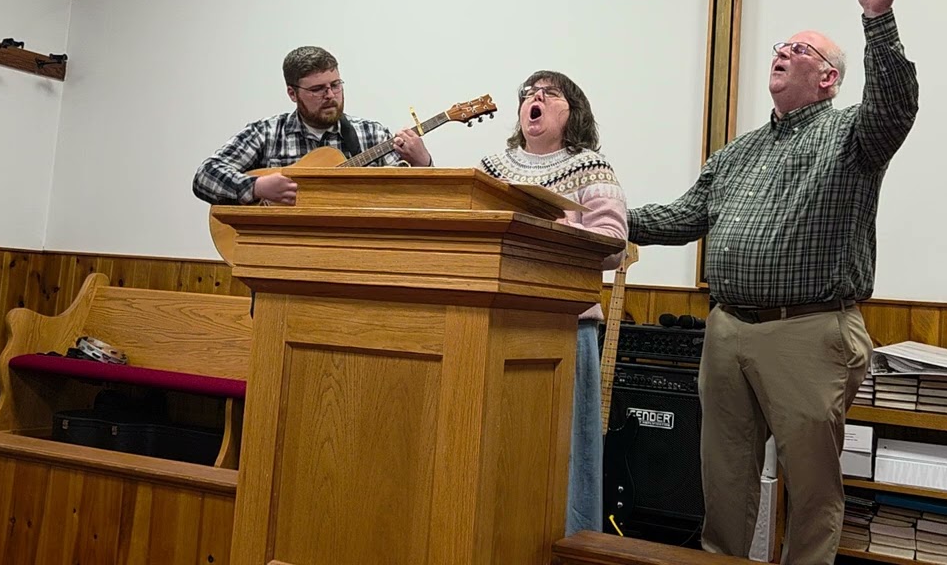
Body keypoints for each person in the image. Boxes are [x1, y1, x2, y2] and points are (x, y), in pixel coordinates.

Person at [627, 0, 918, 564]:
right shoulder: (740, 151)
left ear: (827, 77)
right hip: (727, 330)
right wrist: (611, 220)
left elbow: (896, 107)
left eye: (800, 49)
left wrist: (879, 19)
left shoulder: (851, 136)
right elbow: (684, 216)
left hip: (808, 333)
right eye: (780, 46)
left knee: (812, 490)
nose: (782, 52)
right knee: (723, 481)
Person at [478, 70, 627, 537]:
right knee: (494, 445)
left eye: (549, 94)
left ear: (572, 111)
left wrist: (551, 227)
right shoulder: (489, 169)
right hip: (492, 324)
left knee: (564, 450)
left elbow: (614, 242)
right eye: (528, 95)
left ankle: (565, 542)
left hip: (565, 329)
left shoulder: (591, 168)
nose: (534, 99)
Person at [193, 45, 432, 205]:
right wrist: (256, 187)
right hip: (279, 253)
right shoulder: (266, 133)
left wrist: (423, 164)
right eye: (317, 89)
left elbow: (408, 201)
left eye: (335, 85)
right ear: (292, 93)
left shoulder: (372, 134)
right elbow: (205, 175)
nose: (330, 95)